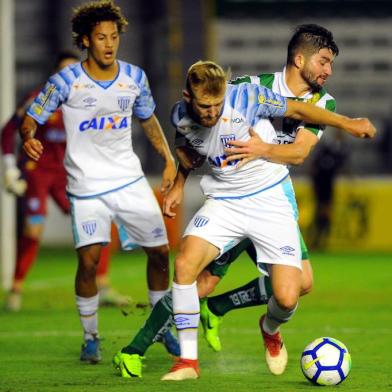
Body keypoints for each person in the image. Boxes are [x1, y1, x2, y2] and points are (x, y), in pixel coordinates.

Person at [113, 60, 375, 380]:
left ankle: (268, 328)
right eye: (204, 106)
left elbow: (300, 111)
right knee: (188, 270)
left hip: (269, 199)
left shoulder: (248, 97)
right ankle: (184, 361)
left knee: (292, 292)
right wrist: (180, 184)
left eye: (217, 105)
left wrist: (347, 123)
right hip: (224, 202)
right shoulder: (179, 116)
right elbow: (189, 150)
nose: (211, 113)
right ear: (187, 97)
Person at [19, 0, 178, 364]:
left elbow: (149, 120)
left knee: (160, 253)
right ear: (85, 41)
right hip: (87, 187)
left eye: (114, 36)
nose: (109, 44)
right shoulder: (66, 81)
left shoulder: (134, 77)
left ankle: (159, 326)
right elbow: (33, 116)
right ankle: (91, 337)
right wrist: (29, 136)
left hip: (129, 180)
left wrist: (168, 160)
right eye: (101, 37)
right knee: (89, 263)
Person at [1, 50, 129, 312]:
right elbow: (9, 129)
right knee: (33, 230)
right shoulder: (41, 98)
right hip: (37, 172)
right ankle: (15, 289)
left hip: (68, 175)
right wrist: (10, 167)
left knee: (98, 223)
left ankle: (102, 286)